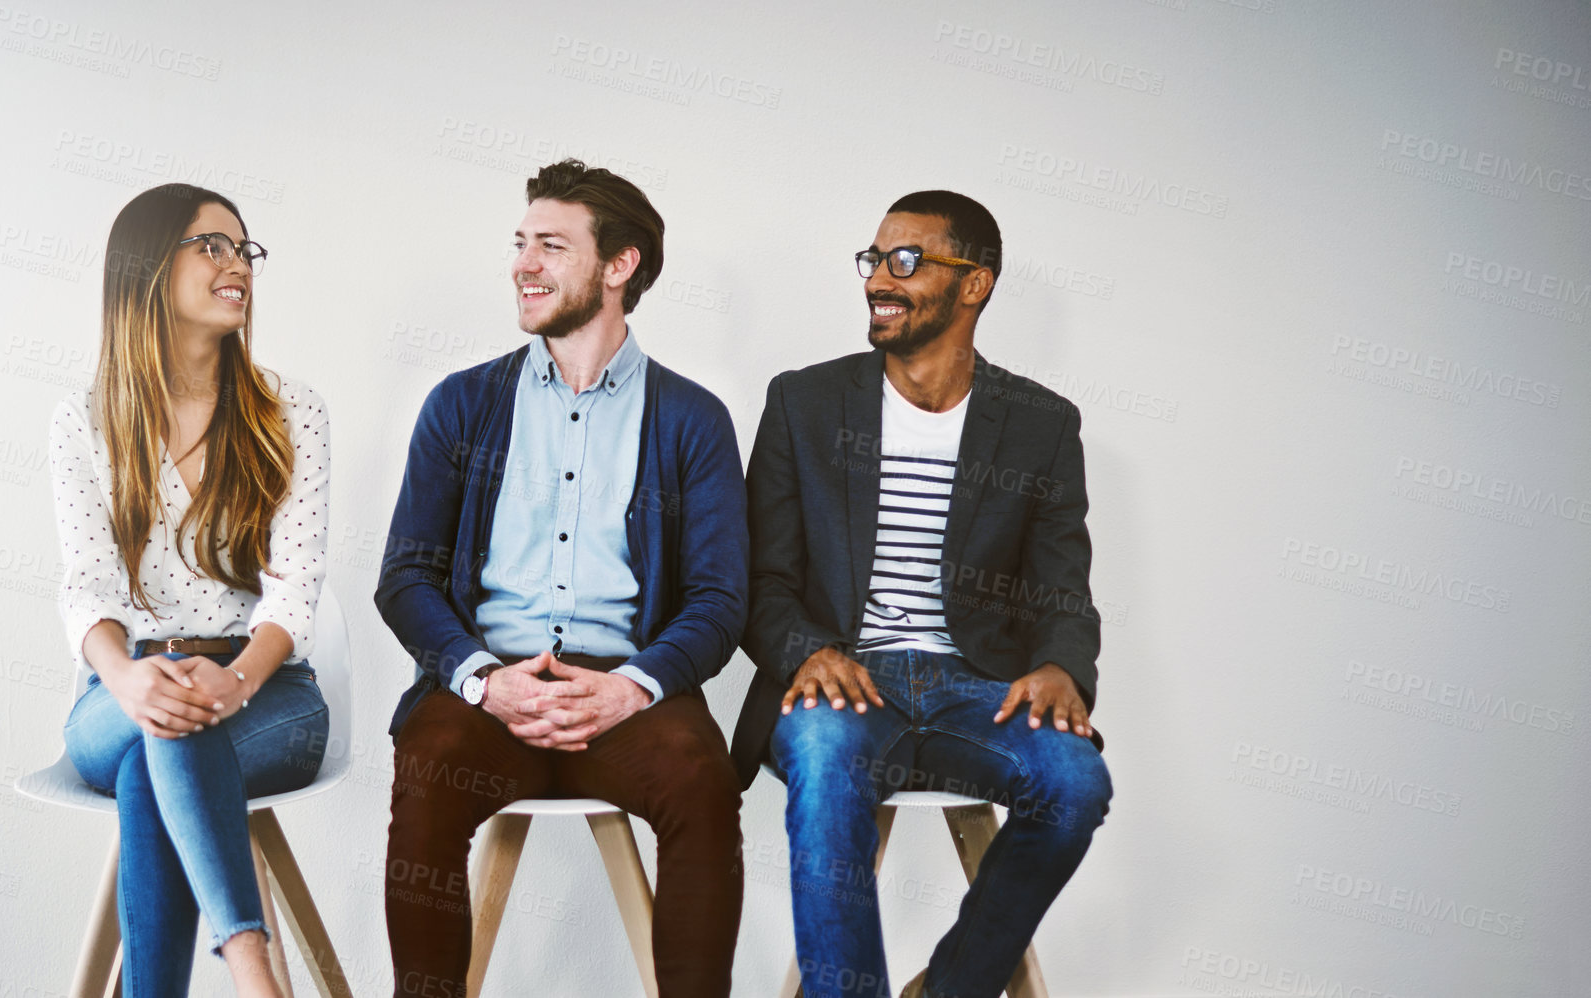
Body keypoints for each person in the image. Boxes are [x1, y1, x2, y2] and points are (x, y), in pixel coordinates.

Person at [375, 159, 748, 997]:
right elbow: (405, 579)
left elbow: (722, 601)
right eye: (520, 244)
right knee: (428, 763)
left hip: (628, 696)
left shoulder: (693, 419)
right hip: (488, 688)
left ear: (620, 267)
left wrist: (635, 688)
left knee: (702, 779)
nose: (523, 264)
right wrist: (482, 681)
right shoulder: (462, 404)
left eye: (551, 245)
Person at [732, 191, 1113, 998]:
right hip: (848, 680)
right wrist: (810, 653)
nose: (880, 279)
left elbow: (1063, 590)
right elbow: (761, 581)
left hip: (978, 691)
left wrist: (1060, 669)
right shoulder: (803, 403)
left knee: (1077, 784)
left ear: (973, 284)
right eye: (874, 260)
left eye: (906, 261)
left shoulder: (1041, 424)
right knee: (825, 756)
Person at [50, 182, 331, 998]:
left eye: (245, 249)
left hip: (271, 693)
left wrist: (237, 679)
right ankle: (256, 975)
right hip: (118, 687)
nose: (237, 265)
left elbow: (294, 592)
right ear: (147, 269)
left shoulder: (292, 412)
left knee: (161, 750)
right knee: (160, 722)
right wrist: (129, 679)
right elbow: (87, 591)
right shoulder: (87, 419)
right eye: (212, 246)